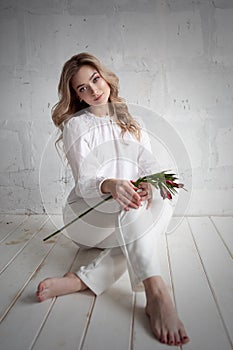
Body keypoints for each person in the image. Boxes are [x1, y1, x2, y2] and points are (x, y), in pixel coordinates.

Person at [37, 53, 190, 346]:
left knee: (161, 198)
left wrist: (149, 187)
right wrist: (111, 185)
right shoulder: (75, 126)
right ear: (77, 96)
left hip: (126, 220)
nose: (94, 90)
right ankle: (157, 293)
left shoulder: (131, 121)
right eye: (82, 88)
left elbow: (151, 169)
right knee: (131, 209)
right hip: (87, 216)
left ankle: (83, 280)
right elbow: (84, 184)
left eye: (95, 79)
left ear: (104, 76)